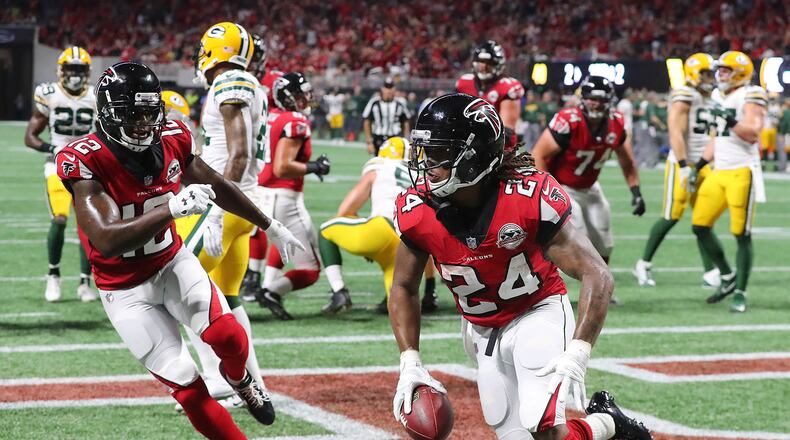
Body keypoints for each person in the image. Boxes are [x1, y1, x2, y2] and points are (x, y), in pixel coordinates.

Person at [56, 61, 303, 439]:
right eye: (132, 114)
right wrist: (170, 209)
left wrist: (271, 225)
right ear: (107, 114)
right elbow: (105, 238)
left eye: (149, 113)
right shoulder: (86, 159)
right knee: (188, 387)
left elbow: (217, 184)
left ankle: (239, 379)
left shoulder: (171, 137)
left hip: (171, 263)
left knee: (230, 337)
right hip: (123, 291)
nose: (143, 123)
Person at [389, 93, 651, 440]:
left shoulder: (526, 197)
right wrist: (410, 361)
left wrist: (578, 351)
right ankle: (607, 425)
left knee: (541, 427)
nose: (426, 164)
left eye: (438, 153)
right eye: (424, 151)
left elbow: (596, 273)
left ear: (473, 157)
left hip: (536, 312)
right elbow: (404, 287)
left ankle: (608, 425)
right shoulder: (417, 209)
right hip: (481, 329)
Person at [174, 22, 271, 407]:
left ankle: (220, 383)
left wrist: (215, 209)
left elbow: (239, 152)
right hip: (244, 203)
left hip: (225, 203)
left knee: (179, 290)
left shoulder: (229, 81)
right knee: (229, 298)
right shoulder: (249, 83)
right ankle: (253, 384)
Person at [532, 76, 644, 270]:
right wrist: (548, 190)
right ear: (583, 98)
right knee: (578, 238)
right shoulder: (568, 120)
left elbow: (627, 161)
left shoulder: (616, 122)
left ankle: (601, 286)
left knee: (604, 241)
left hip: (590, 187)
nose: (597, 104)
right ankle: (556, 285)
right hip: (562, 186)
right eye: (593, 98)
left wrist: (636, 191)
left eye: (602, 100)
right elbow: (538, 155)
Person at [318, 136, 436, 314]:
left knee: (325, 230)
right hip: (407, 245)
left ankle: (338, 291)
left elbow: (345, 210)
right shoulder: (418, 178)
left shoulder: (381, 167)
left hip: (381, 228)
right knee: (398, 306)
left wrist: (367, 238)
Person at [634, 54, 720, 288]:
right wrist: (683, 166)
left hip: (703, 165)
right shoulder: (685, 94)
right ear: (694, 72)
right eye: (706, 73)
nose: (710, 78)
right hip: (683, 164)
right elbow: (676, 132)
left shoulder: (712, 98)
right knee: (672, 215)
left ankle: (710, 271)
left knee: (704, 219)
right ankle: (643, 263)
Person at [692, 51, 768, 313]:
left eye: (725, 70)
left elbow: (752, 134)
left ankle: (741, 292)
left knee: (741, 234)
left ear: (739, 72)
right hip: (719, 170)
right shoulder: (718, 96)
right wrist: (700, 165)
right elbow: (717, 136)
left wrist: (729, 117)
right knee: (700, 226)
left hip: (741, 171)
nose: (720, 74)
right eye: (719, 70)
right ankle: (727, 275)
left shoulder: (751, 94)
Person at [254, 72, 331, 319]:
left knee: (284, 241)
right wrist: (316, 167)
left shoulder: (271, 116)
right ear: (288, 97)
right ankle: (270, 291)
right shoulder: (294, 120)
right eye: (300, 95)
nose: (306, 99)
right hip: (284, 197)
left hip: (263, 193)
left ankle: (264, 285)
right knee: (310, 269)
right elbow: (282, 166)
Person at [24, 46, 98, 303]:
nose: (75, 74)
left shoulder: (96, 96)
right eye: (71, 69)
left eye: (79, 69)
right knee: (59, 218)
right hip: (57, 166)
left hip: (88, 168)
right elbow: (30, 137)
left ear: (87, 72)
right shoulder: (50, 94)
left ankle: (84, 282)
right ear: (61, 70)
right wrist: (52, 147)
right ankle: (53, 276)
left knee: (88, 226)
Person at [456, 40, 524, 147]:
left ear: (499, 64)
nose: (484, 66)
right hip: (465, 144)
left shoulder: (508, 87)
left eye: (489, 62)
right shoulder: (464, 84)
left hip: (498, 147)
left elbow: (506, 132)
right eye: (481, 61)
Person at [363, 78, 412, 155]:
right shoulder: (374, 103)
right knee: (379, 163)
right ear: (382, 89)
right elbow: (367, 122)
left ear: (394, 89)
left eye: (391, 87)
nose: (388, 90)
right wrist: (369, 142)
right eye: (386, 87)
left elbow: (406, 123)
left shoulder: (400, 103)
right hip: (378, 138)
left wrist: (406, 140)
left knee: (396, 162)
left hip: (396, 137)